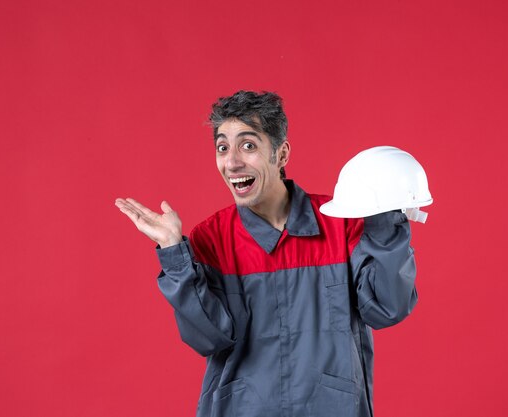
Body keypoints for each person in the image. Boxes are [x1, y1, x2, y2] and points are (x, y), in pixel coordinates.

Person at [114, 90, 418, 417]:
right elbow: (208, 338)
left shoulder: (341, 223)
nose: (232, 162)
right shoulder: (212, 238)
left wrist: (385, 219)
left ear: (281, 153)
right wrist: (174, 252)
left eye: (248, 145)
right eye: (222, 147)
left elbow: (387, 309)